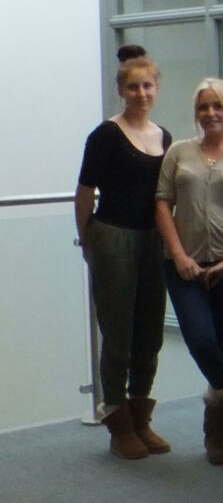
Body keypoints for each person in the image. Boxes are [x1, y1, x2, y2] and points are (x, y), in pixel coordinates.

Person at [154, 78, 223, 466]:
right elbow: (163, 204)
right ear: (196, 113)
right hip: (183, 267)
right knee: (201, 341)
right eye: (203, 107)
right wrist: (179, 254)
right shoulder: (179, 152)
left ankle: (215, 435)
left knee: (221, 343)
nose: (210, 113)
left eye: (218, 106)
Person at [75, 44, 172, 459]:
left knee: (150, 331)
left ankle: (140, 415)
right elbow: (84, 193)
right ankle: (117, 420)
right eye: (132, 87)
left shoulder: (164, 136)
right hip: (113, 236)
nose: (141, 93)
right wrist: (88, 243)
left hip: (153, 239)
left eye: (147, 85)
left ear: (157, 88)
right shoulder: (105, 135)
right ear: (121, 90)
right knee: (118, 332)